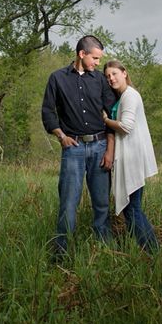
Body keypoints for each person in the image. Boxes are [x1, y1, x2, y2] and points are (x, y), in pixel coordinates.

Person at [41, 34, 117, 258]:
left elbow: (112, 112)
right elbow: (47, 110)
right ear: (81, 54)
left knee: (102, 202)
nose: (98, 63)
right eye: (95, 58)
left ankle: (104, 249)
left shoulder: (100, 80)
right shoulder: (57, 78)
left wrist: (110, 150)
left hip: (99, 146)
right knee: (68, 203)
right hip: (72, 149)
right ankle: (61, 253)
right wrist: (60, 135)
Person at [102, 60, 158, 252]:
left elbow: (126, 126)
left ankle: (152, 251)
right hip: (128, 156)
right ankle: (150, 250)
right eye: (108, 76)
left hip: (133, 156)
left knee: (132, 209)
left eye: (114, 74)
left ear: (124, 73)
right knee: (132, 209)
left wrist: (106, 120)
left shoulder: (130, 96)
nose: (111, 78)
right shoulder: (123, 96)